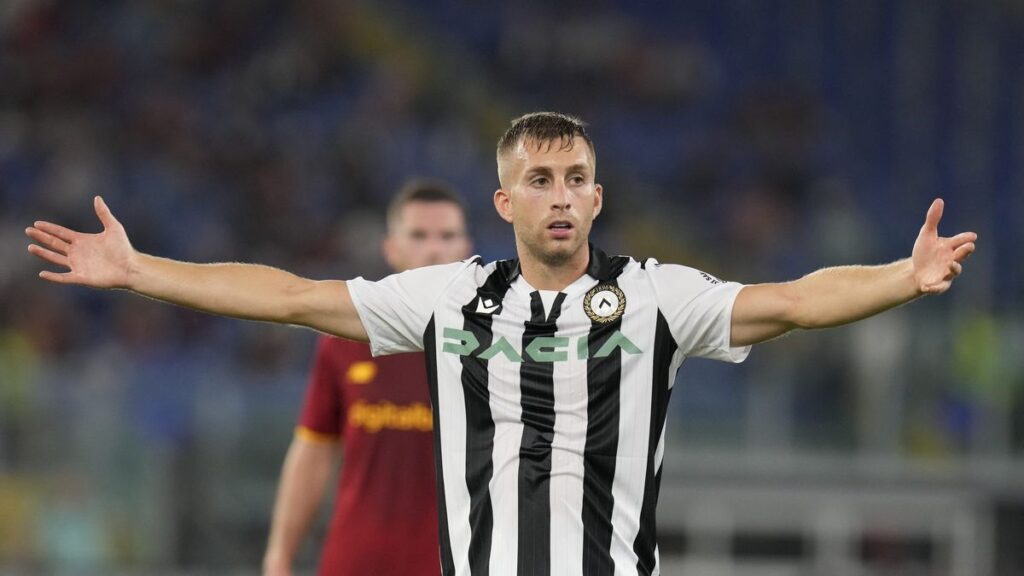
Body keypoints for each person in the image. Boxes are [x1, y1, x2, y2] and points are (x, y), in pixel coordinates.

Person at [26, 112, 977, 576]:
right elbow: (289, 297)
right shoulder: (452, 296)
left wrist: (902, 276)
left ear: (597, 197)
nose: (561, 195)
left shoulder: (655, 298)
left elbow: (796, 302)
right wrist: (142, 271)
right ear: (505, 201)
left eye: (576, 178)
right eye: (541, 179)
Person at [262, 179, 472, 576]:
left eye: (447, 236)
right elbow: (313, 449)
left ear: (466, 250)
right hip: (355, 562)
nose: (434, 249)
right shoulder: (345, 339)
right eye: (418, 235)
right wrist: (279, 555)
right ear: (391, 248)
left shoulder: (496, 342)